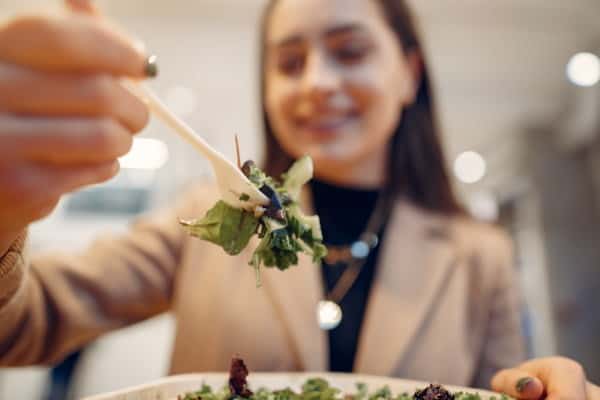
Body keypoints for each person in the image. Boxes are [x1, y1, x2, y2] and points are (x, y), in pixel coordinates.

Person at [0, 0, 585, 397]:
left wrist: (539, 386)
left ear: (409, 73)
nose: (316, 83)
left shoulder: (479, 255)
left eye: (349, 51)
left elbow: (499, 388)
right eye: (289, 62)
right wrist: (6, 214)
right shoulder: (209, 217)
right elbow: (26, 324)